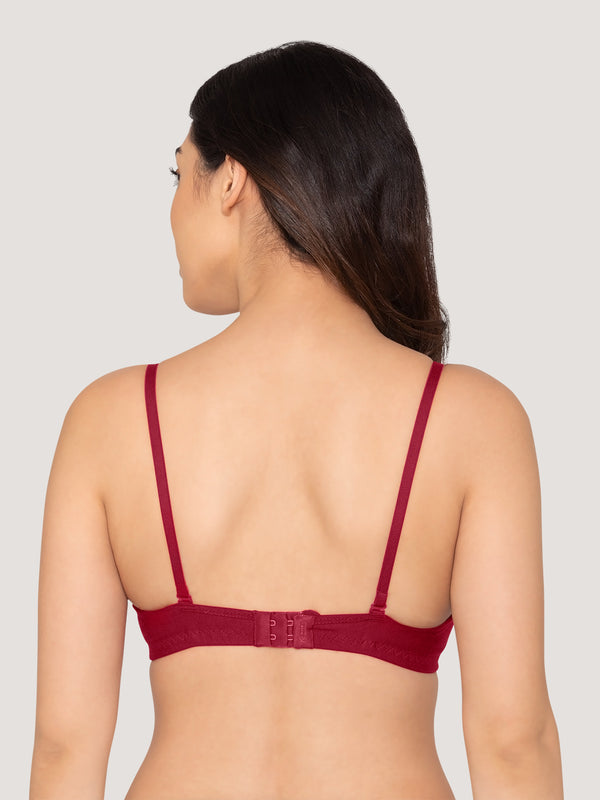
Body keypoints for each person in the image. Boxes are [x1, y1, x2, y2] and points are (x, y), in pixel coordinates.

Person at [29, 41, 563, 800]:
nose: (171, 210)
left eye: (179, 174)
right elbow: (514, 742)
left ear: (231, 180)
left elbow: (65, 745)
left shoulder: (109, 420)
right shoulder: (474, 420)